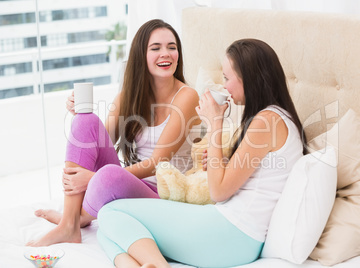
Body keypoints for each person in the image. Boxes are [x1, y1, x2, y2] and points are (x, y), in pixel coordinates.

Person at [95, 38, 307, 268]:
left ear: (249, 78)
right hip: (235, 237)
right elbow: (245, 180)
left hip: (231, 235)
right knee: (105, 233)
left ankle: (159, 265)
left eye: (227, 78)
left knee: (109, 213)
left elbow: (218, 192)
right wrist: (222, 162)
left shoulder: (268, 121)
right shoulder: (277, 117)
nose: (224, 86)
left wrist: (215, 123)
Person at [26, 19, 201, 247]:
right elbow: (100, 143)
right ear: (141, 55)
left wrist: (95, 178)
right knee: (85, 121)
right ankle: (69, 223)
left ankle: (77, 219)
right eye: (155, 48)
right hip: (129, 184)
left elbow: (159, 162)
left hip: (166, 193)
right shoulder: (128, 96)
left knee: (108, 175)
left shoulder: (187, 96)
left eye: (172, 47)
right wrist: (77, 111)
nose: (166, 54)